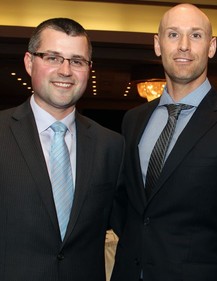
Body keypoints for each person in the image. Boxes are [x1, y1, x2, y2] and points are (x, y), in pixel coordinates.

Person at [111, 3, 217, 281]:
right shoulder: (133, 120)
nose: (184, 45)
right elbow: (128, 207)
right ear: (157, 44)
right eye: (173, 34)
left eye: (195, 35)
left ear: (211, 46)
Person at [0, 18, 125, 281]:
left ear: (88, 69)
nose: (65, 70)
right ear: (29, 62)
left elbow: (129, 226)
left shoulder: (111, 146)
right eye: (53, 57)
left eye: (77, 61)